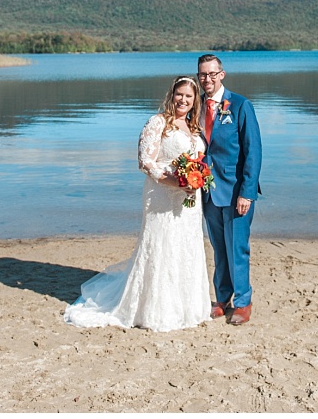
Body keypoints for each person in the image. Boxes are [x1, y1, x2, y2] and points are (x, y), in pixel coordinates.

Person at [63, 76, 211, 331]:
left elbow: (197, 160)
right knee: (161, 245)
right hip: (162, 196)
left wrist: (196, 180)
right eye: (179, 95)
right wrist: (176, 182)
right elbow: (145, 162)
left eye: (189, 96)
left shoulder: (193, 128)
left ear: (194, 100)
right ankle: (155, 309)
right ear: (172, 95)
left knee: (185, 247)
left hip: (188, 201)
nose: (183, 100)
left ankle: (187, 307)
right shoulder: (157, 123)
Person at [197, 54, 262, 325]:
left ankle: (243, 302)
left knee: (237, 248)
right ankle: (222, 298)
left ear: (222, 74)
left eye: (212, 74)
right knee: (218, 248)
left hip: (236, 192)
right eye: (202, 75)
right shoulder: (196, 106)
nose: (207, 79)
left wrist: (247, 192)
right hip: (208, 191)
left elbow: (253, 151)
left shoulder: (240, 105)